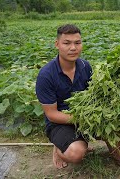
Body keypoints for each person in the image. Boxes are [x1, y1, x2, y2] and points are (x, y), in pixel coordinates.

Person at [36, 24, 92, 169]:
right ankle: (59, 148)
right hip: (59, 123)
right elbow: (52, 114)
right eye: (67, 43)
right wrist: (81, 119)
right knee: (76, 153)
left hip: (85, 118)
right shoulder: (46, 75)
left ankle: (73, 141)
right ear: (57, 44)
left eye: (77, 43)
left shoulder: (86, 67)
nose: (73, 48)